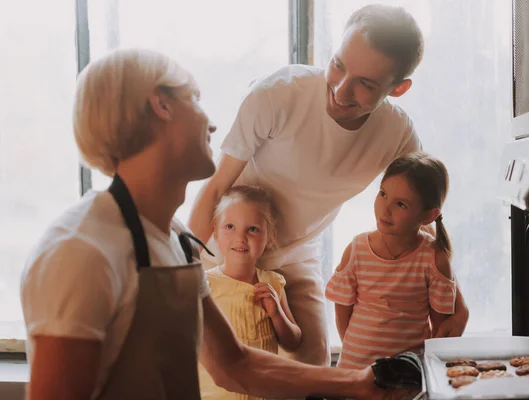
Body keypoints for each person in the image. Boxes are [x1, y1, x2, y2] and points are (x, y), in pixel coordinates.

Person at [20, 48, 416, 400]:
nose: (212, 125)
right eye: (196, 99)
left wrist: (362, 384)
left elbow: (236, 365)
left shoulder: (175, 239)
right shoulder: (81, 251)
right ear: (162, 106)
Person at [189, 4, 469, 368]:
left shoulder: (397, 134)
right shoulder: (276, 94)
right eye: (338, 65)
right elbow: (214, 188)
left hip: (295, 249)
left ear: (398, 88)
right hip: (227, 242)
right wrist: (182, 272)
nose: (340, 88)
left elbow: (422, 216)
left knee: (312, 365)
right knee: (207, 362)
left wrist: (457, 303)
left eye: (365, 84)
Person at [326, 152, 458, 369]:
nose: (385, 209)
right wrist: (356, 353)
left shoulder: (434, 258)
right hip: (355, 372)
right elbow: (342, 312)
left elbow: (439, 328)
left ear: (427, 216)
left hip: (407, 377)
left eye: (401, 204)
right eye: (383, 194)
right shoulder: (356, 250)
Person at [199, 185, 301, 399]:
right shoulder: (205, 283)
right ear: (215, 233)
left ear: (270, 237)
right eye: (230, 226)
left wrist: (276, 314)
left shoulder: (273, 282)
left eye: (252, 229)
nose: (240, 237)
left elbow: (293, 342)